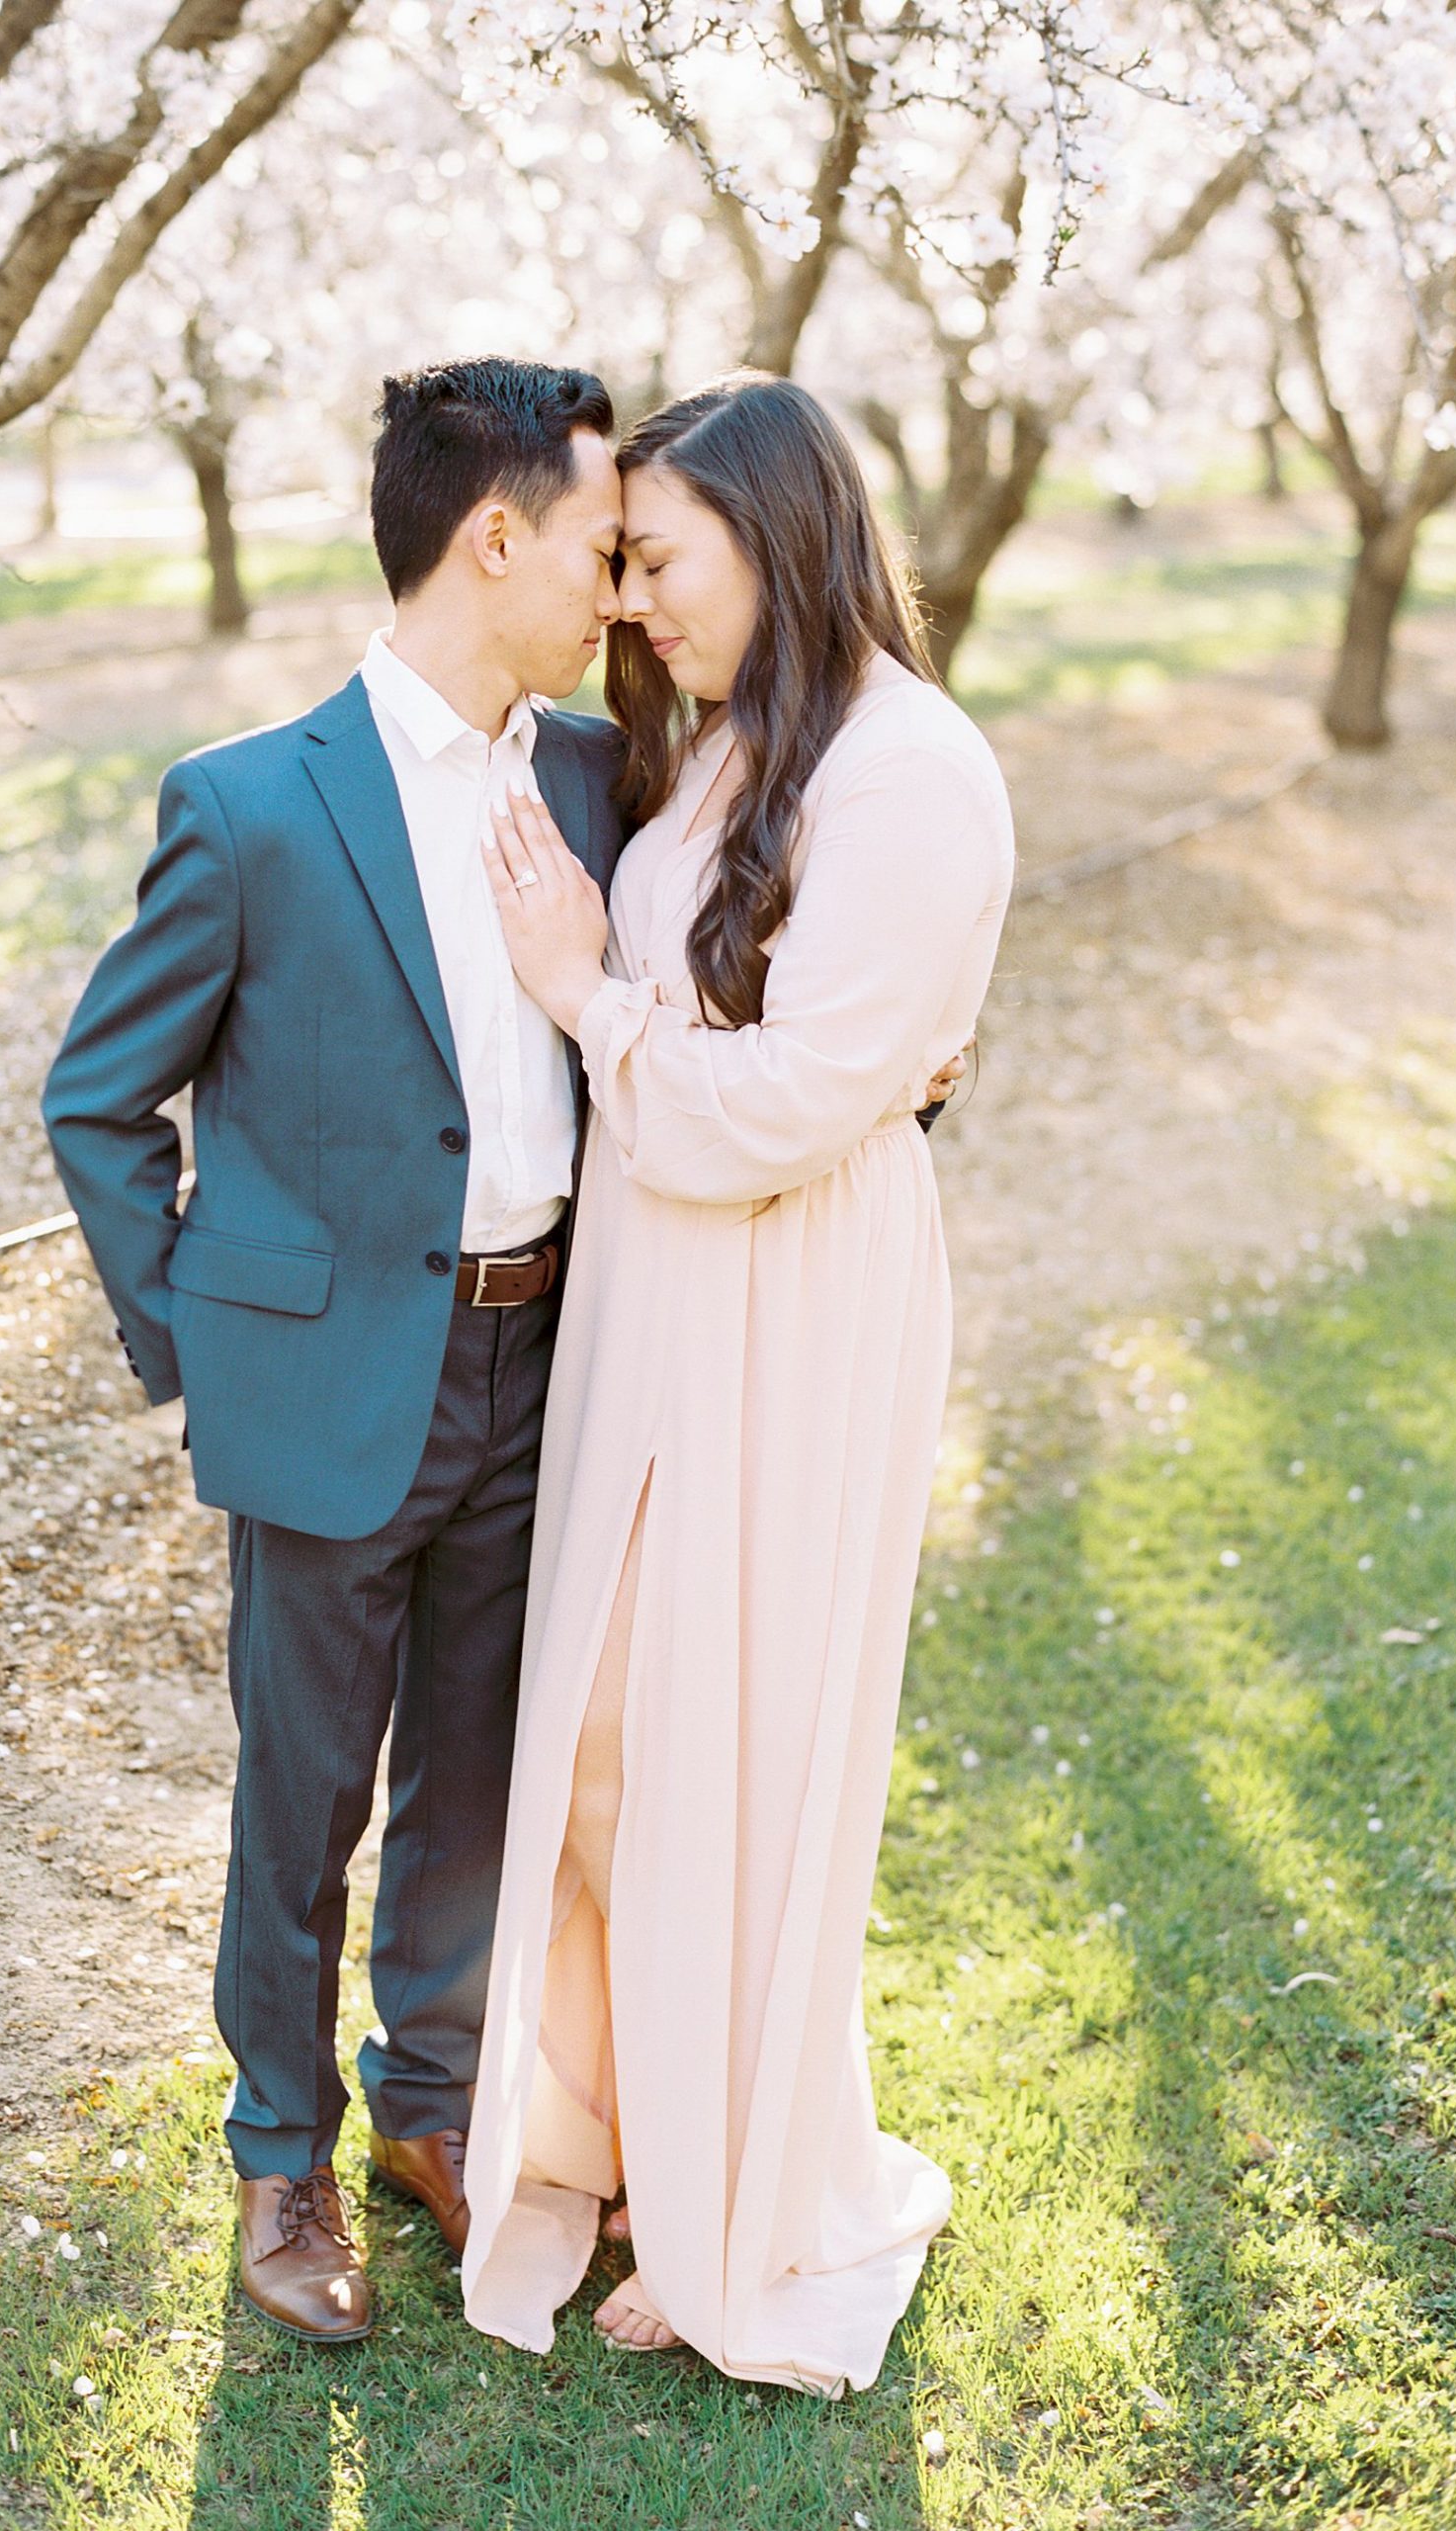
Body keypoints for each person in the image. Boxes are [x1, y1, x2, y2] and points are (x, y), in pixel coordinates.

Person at [40, 358, 633, 2343]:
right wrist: (204, 1339)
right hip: (326, 1383)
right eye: (596, 545)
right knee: (304, 1795)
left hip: (538, 1365)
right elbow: (96, 1100)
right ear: (492, 538)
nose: (614, 588)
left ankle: (430, 2110)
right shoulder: (248, 804)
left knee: (476, 1774)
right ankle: (278, 2148)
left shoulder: (587, 774)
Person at [460, 375, 1015, 2398]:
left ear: (776, 539)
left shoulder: (909, 773)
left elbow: (787, 1098)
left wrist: (578, 993)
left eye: (657, 559)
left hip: (786, 1290)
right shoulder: (724, 760)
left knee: (733, 1734)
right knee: (614, 1730)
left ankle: (745, 2195)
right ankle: (621, 2125)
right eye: (616, 563)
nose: (629, 604)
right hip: (664, 1279)